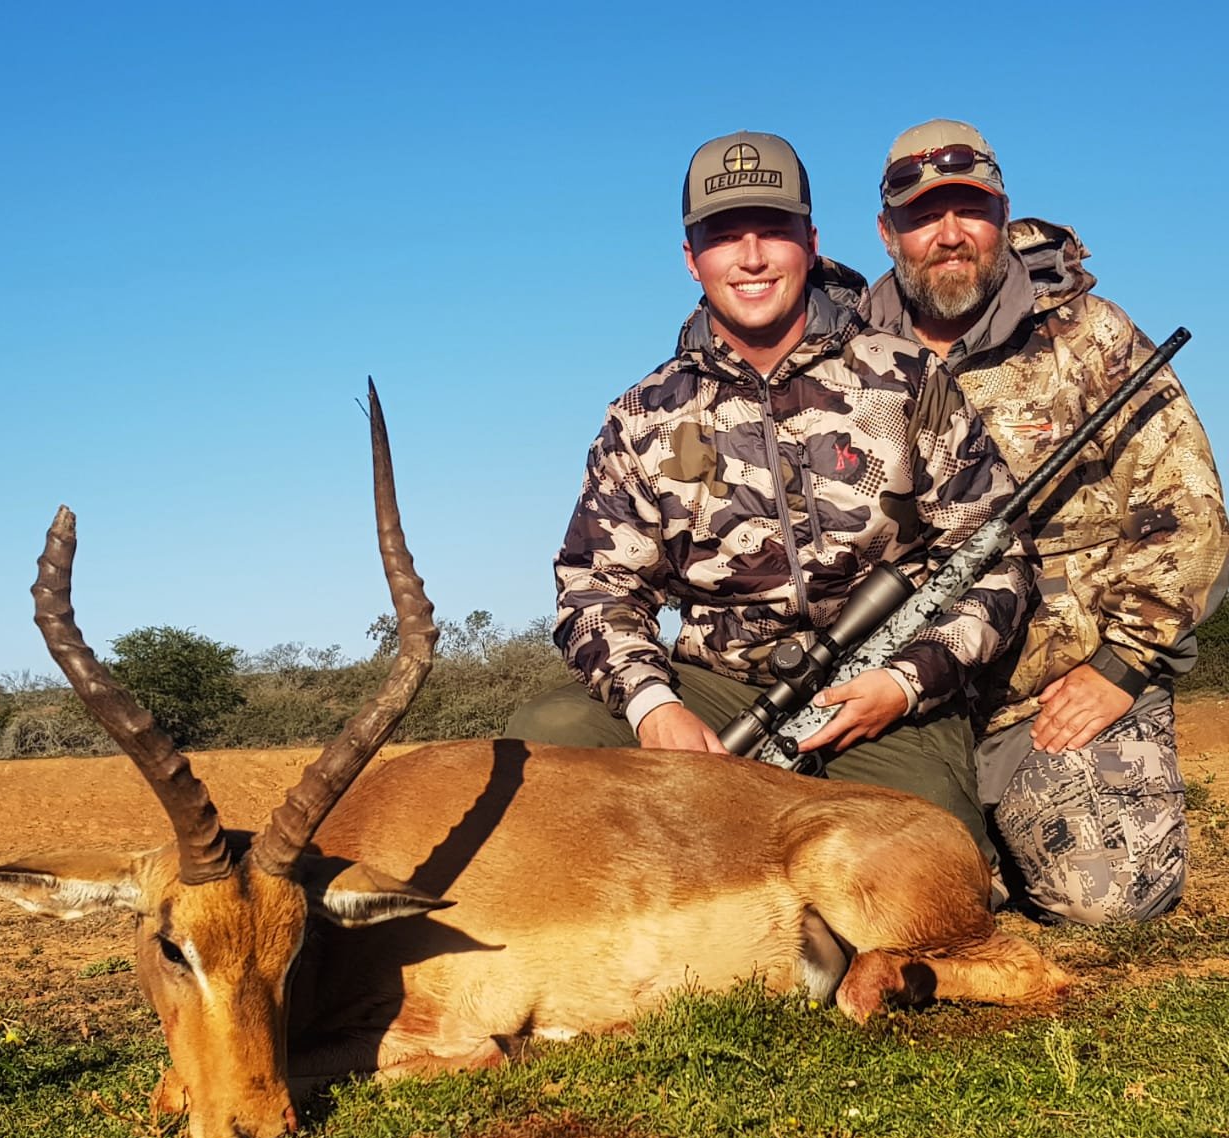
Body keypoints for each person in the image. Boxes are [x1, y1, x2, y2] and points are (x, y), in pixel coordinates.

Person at [507, 130, 1034, 858]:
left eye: (773, 233)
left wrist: (909, 681)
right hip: (714, 686)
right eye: (724, 237)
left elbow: (997, 557)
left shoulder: (910, 379)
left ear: (810, 243)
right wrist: (655, 708)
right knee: (546, 741)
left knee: (931, 863)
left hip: (879, 701)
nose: (751, 258)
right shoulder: (640, 415)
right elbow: (594, 589)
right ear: (691, 259)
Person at [869, 118, 1229, 924]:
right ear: (888, 233)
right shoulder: (846, 361)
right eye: (925, 216)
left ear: (1002, 214)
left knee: (1104, 899)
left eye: (971, 209)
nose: (950, 235)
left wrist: (1122, 666)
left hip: (1060, 696)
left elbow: (1189, 514)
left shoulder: (1091, 337)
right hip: (908, 706)